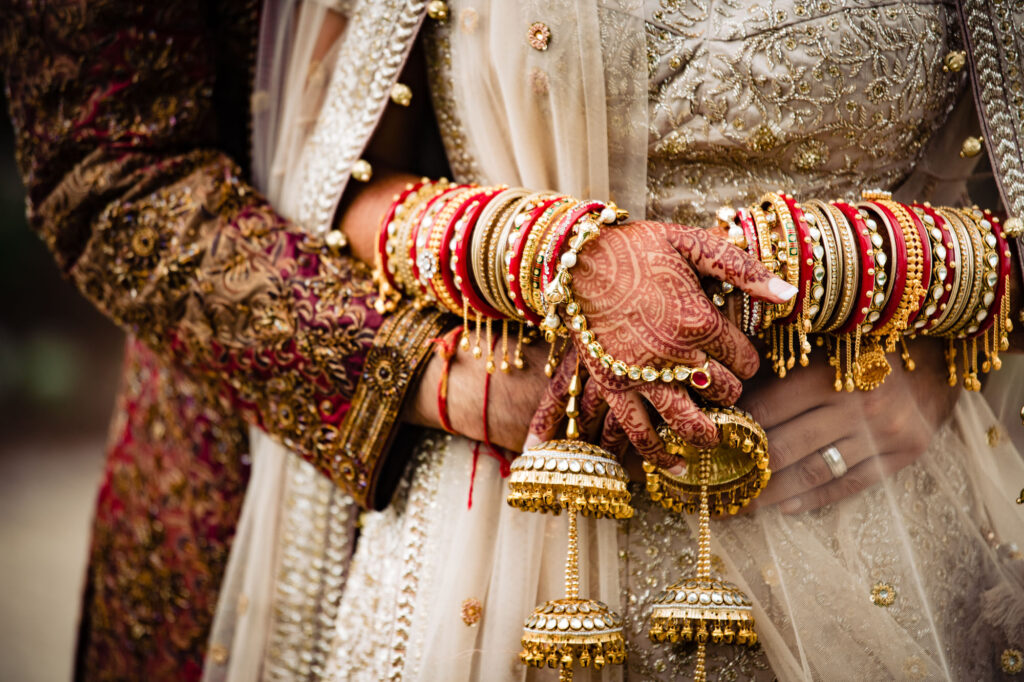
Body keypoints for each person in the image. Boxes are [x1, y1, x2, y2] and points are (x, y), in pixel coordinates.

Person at [3, 1, 1023, 681]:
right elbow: (136, 172)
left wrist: (947, 347)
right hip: (463, 497)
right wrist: (474, 358)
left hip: (900, 517)